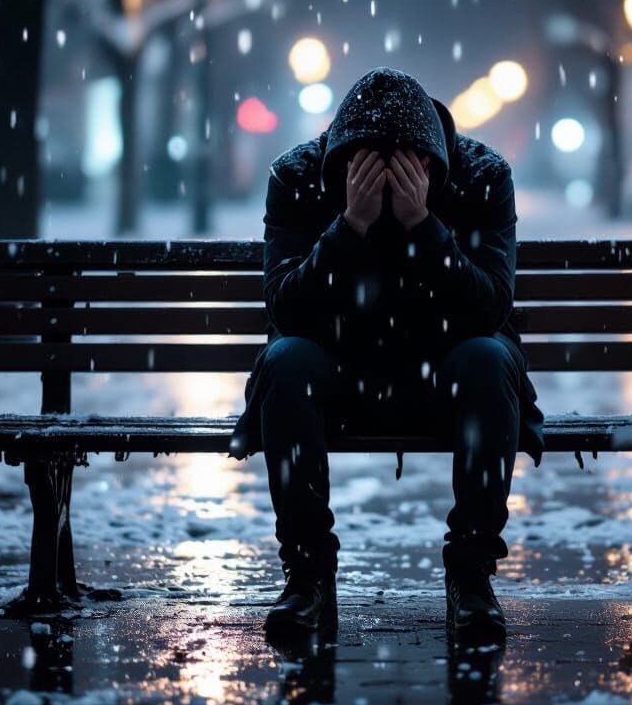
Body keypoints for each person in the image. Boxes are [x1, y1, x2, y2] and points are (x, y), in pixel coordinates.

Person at [228, 67, 545, 642]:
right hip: (338, 371)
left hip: (445, 370)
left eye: (404, 168)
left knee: (490, 359)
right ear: (343, 162)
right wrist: (350, 226)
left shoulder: (481, 177)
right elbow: (287, 311)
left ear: (431, 163)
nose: (387, 183)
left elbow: (488, 310)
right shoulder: (300, 178)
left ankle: (472, 573)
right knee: (287, 362)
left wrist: (423, 226)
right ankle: (307, 573)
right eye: (369, 167)